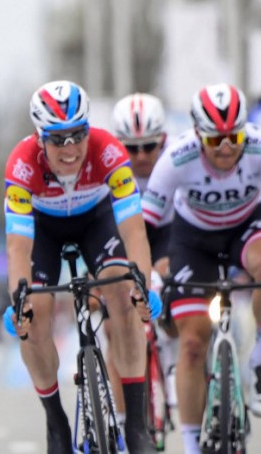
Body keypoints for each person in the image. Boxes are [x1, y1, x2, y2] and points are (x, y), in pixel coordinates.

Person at [141, 83, 261, 454]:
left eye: (234, 137)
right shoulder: (176, 157)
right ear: (198, 135)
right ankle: (192, 446)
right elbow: (144, 225)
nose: (226, 147)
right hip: (193, 240)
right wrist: (145, 273)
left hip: (246, 229)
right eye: (215, 140)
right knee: (192, 343)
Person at [4, 80, 160, 454]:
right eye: (58, 139)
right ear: (40, 138)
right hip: (44, 229)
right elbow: (18, 247)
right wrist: (18, 301)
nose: (71, 148)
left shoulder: (109, 151)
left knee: (123, 294)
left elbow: (134, 230)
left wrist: (143, 285)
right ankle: (55, 420)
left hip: (96, 221)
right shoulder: (22, 164)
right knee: (34, 316)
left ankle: (136, 424)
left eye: (78, 135)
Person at [109, 92, 179, 421]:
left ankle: (175, 358)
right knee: (112, 327)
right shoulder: (108, 164)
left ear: (163, 140)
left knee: (179, 299)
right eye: (131, 148)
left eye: (149, 146)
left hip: (170, 233)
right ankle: (124, 419)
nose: (140, 156)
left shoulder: (177, 157)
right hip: (124, 236)